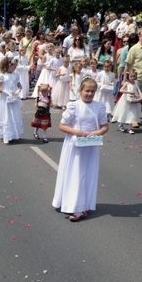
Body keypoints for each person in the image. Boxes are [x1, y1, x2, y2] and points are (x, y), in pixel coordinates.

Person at [52, 78, 108, 221]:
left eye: (92, 91)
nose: (89, 94)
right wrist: (76, 132)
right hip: (75, 146)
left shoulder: (99, 106)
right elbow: (62, 125)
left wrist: (96, 133)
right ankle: (73, 205)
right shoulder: (74, 106)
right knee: (75, 174)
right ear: (80, 91)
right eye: (87, 91)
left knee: (87, 175)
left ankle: (83, 205)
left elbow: (104, 126)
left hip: (90, 146)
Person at [0, 57, 24, 144]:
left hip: (13, 97)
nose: (15, 67)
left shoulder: (16, 74)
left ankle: (14, 134)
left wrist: (17, 91)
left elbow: (19, 86)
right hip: (5, 98)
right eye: (14, 66)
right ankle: (6, 135)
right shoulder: (1, 75)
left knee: (14, 115)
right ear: (9, 65)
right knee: (6, 115)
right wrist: (8, 93)